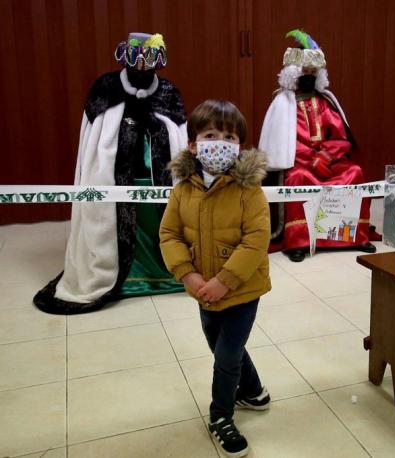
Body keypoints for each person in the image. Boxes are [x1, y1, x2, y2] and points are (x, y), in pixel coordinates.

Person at [34, 32, 187, 314]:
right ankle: (117, 276)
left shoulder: (168, 92)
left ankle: (162, 273)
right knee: (113, 226)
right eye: (135, 58)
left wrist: (152, 124)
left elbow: (177, 135)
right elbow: (95, 142)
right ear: (125, 57)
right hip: (113, 182)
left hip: (156, 181)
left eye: (149, 59)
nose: (141, 66)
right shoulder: (105, 88)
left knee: (161, 226)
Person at [159, 100, 272, 457]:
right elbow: (169, 235)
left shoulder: (249, 190)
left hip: (242, 290)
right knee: (223, 345)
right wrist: (187, 275)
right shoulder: (182, 190)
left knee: (225, 355)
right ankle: (253, 391)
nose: (220, 142)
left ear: (240, 144)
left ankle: (221, 416)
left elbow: (256, 240)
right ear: (193, 144)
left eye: (229, 136)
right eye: (210, 135)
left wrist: (226, 279)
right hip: (203, 290)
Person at [258, 29, 376, 262]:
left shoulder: (326, 101)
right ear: (294, 72)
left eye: (314, 71)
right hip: (299, 165)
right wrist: (310, 158)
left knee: (354, 173)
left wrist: (326, 156)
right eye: (306, 71)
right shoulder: (282, 103)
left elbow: (341, 138)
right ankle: (298, 242)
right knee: (298, 180)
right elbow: (280, 144)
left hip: (329, 163)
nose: (310, 75)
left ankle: (354, 237)